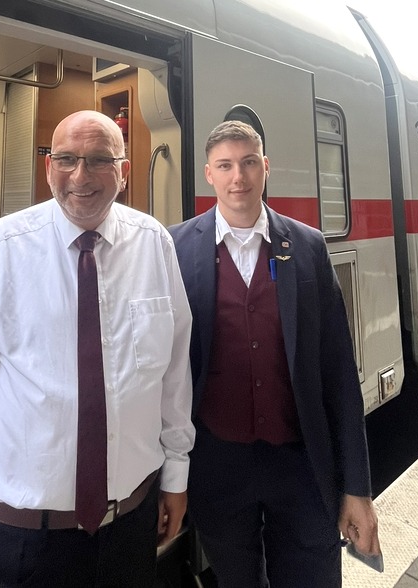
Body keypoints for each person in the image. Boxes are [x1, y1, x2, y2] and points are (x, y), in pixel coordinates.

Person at [0, 110, 195, 588]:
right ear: (48, 168)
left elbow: (172, 377)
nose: (80, 176)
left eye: (100, 160)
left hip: (130, 530)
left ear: (123, 171)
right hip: (26, 544)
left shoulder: (155, 245)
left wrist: (176, 475)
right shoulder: (2, 249)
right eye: (66, 159)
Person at [169, 120, 380, 587]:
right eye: (225, 166)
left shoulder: (307, 246)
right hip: (217, 463)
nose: (237, 177)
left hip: (301, 462)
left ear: (265, 167)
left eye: (247, 163)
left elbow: (339, 372)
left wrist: (357, 487)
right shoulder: (176, 248)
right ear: (209, 173)